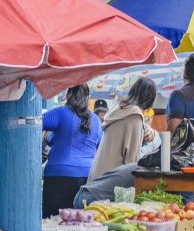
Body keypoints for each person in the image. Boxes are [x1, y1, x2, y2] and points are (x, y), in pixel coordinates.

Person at [42, 84, 103, 218]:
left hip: (59, 177)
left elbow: (35, 122)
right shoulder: (96, 120)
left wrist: (48, 138)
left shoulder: (61, 113)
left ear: (68, 95)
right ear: (88, 98)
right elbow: (99, 145)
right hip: (87, 177)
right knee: (81, 222)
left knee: (54, 221)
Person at [88, 77, 158, 180]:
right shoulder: (135, 115)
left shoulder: (120, 109)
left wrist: (148, 131)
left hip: (97, 176)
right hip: (111, 181)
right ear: (149, 99)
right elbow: (132, 161)